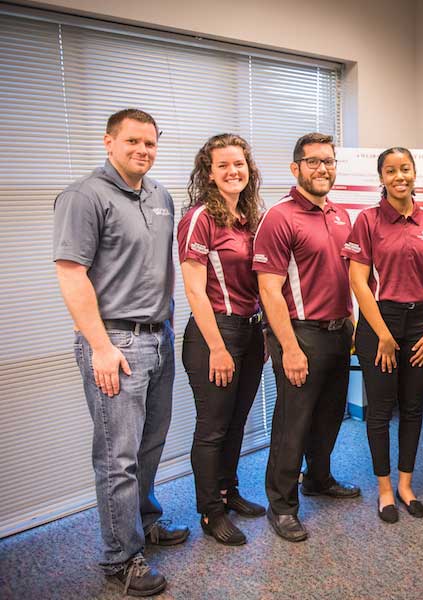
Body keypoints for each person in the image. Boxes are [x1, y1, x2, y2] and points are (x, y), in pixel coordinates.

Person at [53, 109, 188, 597]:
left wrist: (166, 325)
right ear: (109, 142)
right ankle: (120, 558)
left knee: (150, 445)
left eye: (150, 143)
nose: (142, 150)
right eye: (132, 141)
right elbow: (71, 274)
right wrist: (101, 348)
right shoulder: (84, 196)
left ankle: (145, 522)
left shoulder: (160, 195)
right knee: (117, 457)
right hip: (116, 342)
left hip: (159, 336)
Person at [252, 132, 359, 542]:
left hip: (337, 331)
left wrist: (351, 324)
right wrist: (290, 348)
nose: (322, 169)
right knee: (292, 424)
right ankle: (281, 505)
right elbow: (268, 290)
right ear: (296, 168)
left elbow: (347, 276)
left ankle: (318, 478)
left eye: (328, 161)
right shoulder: (279, 217)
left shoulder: (340, 214)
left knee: (330, 414)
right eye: (313, 162)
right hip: (300, 334)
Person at [342, 147, 423, 523]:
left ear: (414, 173)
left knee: (414, 407)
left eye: (405, 169)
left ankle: (405, 485)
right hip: (379, 322)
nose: (399, 176)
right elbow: (358, 281)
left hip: (419, 324)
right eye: (391, 170)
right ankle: (385, 489)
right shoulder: (368, 220)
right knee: (381, 409)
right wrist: (383, 334)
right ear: (381, 178)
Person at [178, 134, 267, 546]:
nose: (234, 171)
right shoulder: (200, 218)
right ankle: (210, 511)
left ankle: (229, 493)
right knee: (213, 427)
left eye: (239, 164)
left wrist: (262, 331)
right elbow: (194, 290)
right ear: (209, 174)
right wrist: (217, 347)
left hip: (249, 330)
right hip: (214, 333)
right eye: (223, 165)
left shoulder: (249, 218)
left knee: (237, 422)